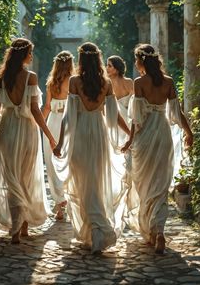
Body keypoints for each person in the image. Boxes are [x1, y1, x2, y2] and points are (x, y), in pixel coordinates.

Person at [52, 42, 130, 254]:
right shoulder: (106, 83)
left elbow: (68, 117)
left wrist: (60, 143)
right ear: (97, 59)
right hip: (98, 135)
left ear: (81, 59)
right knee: (94, 182)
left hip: (79, 136)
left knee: (82, 183)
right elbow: (114, 116)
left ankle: (96, 230)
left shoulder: (75, 81)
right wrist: (130, 134)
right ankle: (95, 231)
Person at [0, 38, 56, 244]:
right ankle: (21, 227)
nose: (31, 56)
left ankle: (18, 226)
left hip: (6, 128)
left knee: (11, 177)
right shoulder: (30, 78)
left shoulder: (2, 77)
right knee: (25, 177)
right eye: (30, 52)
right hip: (26, 130)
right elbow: (34, 109)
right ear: (24, 55)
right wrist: (49, 135)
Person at [121, 43, 193, 254]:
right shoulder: (168, 82)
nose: (135, 63)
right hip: (162, 134)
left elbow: (136, 118)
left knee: (144, 184)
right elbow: (177, 112)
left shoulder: (139, 82)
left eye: (136, 59)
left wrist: (130, 140)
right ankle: (159, 231)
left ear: (141, 61)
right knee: (161, 184)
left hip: (145, 137)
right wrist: (189, 133)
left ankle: (152, 230)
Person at [42, 51, 75, 220]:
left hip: (53, 124)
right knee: (69, 162)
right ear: (70, 64)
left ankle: (59, 204)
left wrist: (39, 124)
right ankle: (69, 200)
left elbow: (46, 107)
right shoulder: (74, 82)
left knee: (52, 163)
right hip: (69, 124)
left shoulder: (51, 83)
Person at [106, 55, 133, 145]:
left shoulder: (128, 82)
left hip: (126, 120)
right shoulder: (106, 84)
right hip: (112, 121)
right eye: (107, 65)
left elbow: (136, 102)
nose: (106, 68)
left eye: (109, 66)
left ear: (117, 68)